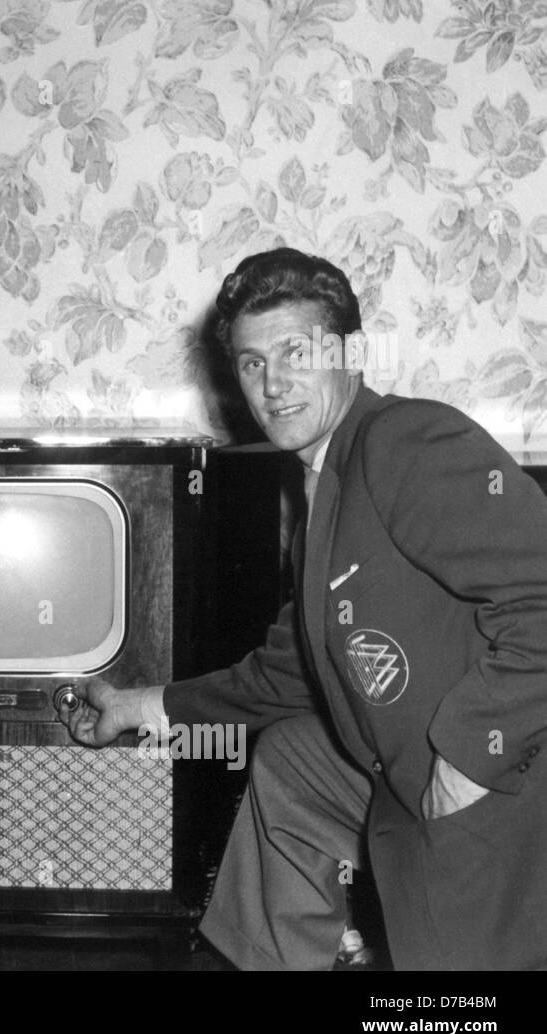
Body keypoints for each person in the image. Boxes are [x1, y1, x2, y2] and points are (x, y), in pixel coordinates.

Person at [61, 247, 547, 970]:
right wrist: (145, 705)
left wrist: (468, 762)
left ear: (350, 353)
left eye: (295, 351)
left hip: (504, 794)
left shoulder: (404, 441)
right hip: (403, 771)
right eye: (252, 363)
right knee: (294, 756)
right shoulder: (322, 490)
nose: (274, 384)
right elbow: (288, 675)